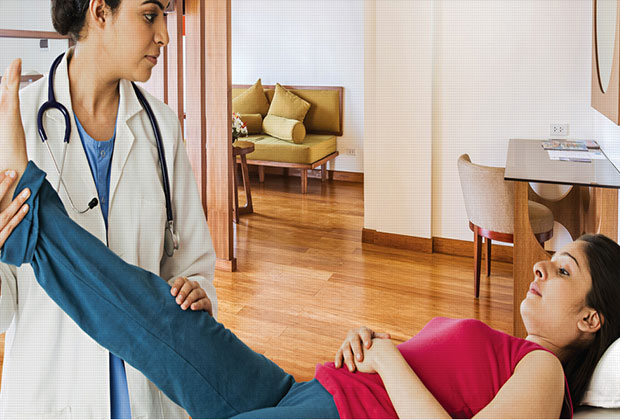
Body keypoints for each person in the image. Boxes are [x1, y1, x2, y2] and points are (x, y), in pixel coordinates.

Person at [2, 60, 620, 419]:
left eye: (564, 270)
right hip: (306, 390)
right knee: (160, 317)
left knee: (152, 326)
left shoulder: (545, 369)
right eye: (553, 260)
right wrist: (379, 346)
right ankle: (27, 215)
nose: (540, 268)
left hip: (333, 410)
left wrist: (388, 359)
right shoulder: (514, 353)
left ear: (592, 320)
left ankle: (26, 209)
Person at [0, 0, 217, 417]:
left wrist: (196, 292)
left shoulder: (161, 126)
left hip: (148, 393)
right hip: (51, 394)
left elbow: (192, 266)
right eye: (150, 15)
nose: (164, 35)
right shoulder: (15, 123)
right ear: (100, 12)